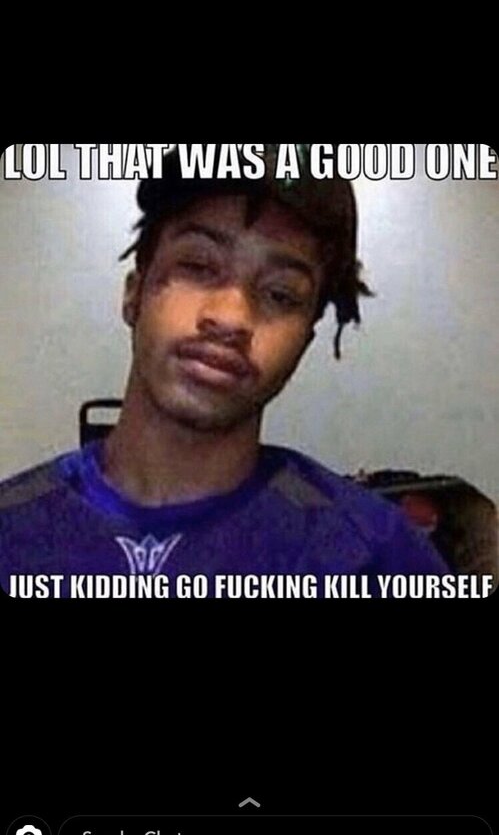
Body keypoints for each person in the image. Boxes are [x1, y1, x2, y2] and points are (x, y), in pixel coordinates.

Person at [0, 145, 450, 595]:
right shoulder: (12, 534)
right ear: (134, 293)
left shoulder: (373, 557)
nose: (231, 318)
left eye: (280, 295)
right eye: (198, 266)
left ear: (305, 340)